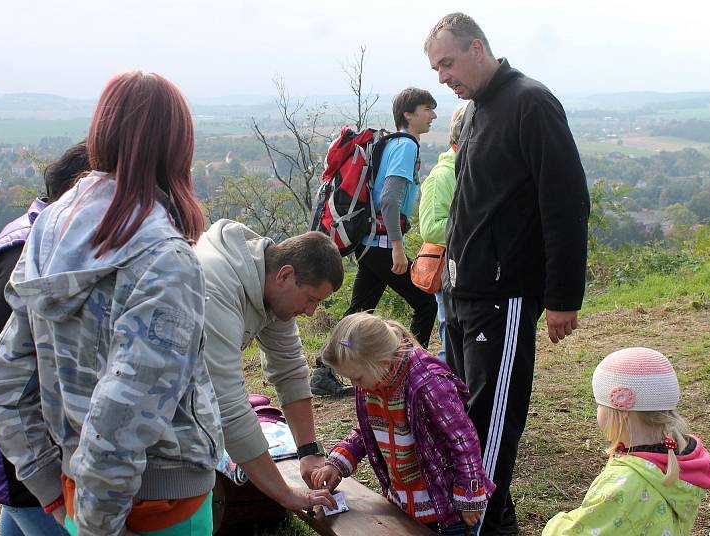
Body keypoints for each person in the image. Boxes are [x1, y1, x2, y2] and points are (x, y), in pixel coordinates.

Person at [0, 71, 223, 536]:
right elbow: (122, 416)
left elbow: (5, 383)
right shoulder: (165, 257)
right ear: (178, 148)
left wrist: (51, 489)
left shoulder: (48, 231)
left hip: (82, 497)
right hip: (161, 505)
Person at [424, 13, 590, 534]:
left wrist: (563, 297)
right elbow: (471, 208)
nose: (442, 77)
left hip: (504, 295)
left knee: (490, 422)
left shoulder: (531, 103)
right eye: (435, 68)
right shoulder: (476, 110)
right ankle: (494, 513)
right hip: (462, 293)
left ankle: (479, 523)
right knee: (461, 417)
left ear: (478, 47)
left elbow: (565, 204)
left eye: (447, 63)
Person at [0, 141, 87, 536]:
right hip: (29, 460)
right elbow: (2, 373)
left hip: (20, 456)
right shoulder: (25, 253)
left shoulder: (35, 236)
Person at [195, 220, 341, 512]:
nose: (311, 312)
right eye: (311, 299)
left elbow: (289, 370)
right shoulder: (215, 286)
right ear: (285, 275)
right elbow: (228, 408)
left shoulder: (271, 284)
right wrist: (285, 494)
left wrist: (309, 452)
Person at [311, 313, 494, 535]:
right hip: (404, 503)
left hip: (445, 509)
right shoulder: (373, 383)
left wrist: (469, 496)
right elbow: (367, 430)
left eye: (357, 378)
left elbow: (463, 440)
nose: (354, 385)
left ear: (383, 362)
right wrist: (337, 462)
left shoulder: (428, 383)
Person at [311, 87, 439, 396]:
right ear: (408, 114)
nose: (433, 115)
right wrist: (397, 246)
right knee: (425, 304)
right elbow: (390, 199)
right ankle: (412, 371)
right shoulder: (406, 146)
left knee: (359, 310)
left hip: (368, 244)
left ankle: (323, 368)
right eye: (427, 109)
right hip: (381, 245)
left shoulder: (391, 143)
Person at [543, 347, 710, 535]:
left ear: (621, 413)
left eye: (599, 404)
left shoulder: (623, 485)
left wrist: (556, 525)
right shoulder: (680, 456)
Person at [418, 104, 466, 361]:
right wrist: (473, 228)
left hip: (469, 268)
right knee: (452, 339)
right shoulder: (443, 175)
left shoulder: (467, 168)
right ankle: (444, 392)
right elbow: (430, 228)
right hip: (450, 270)